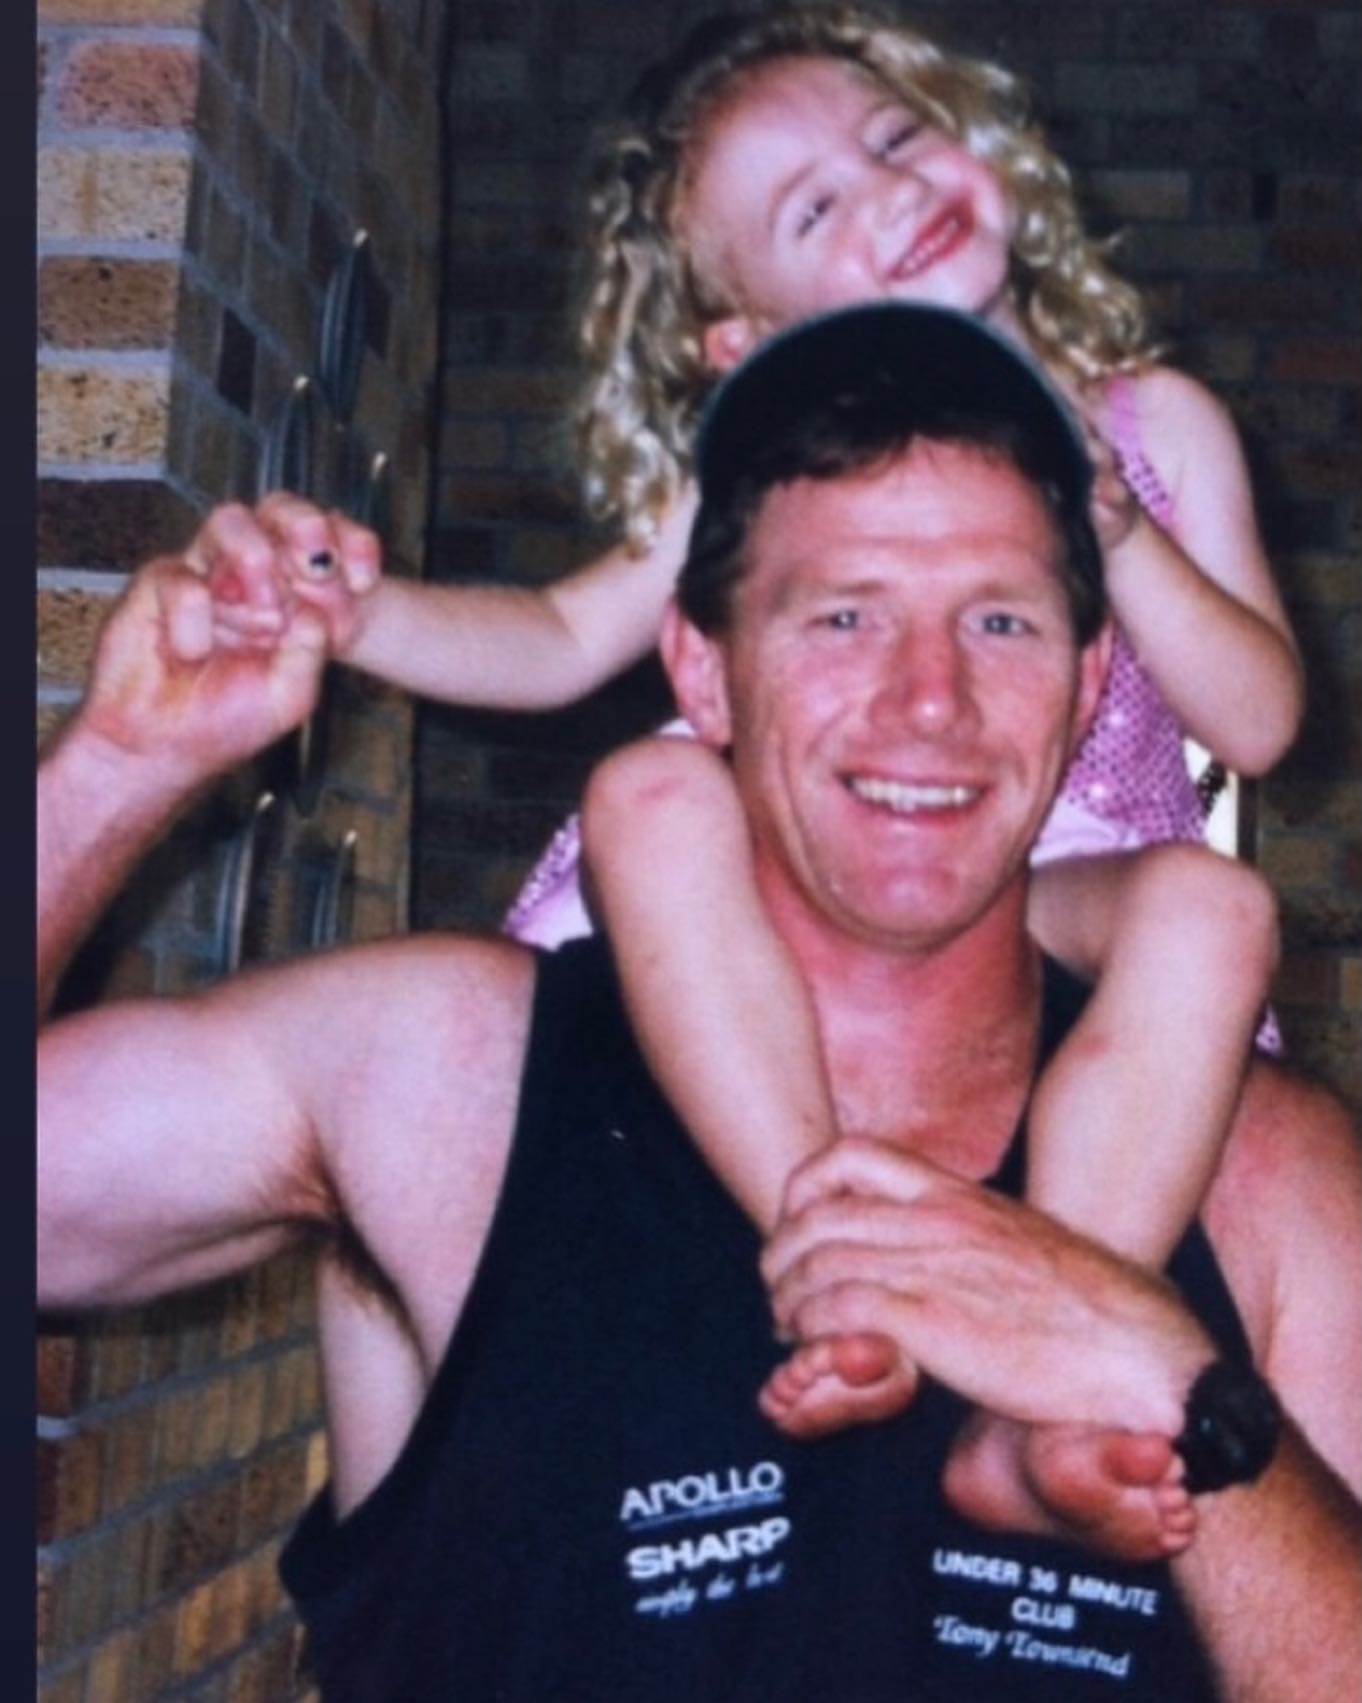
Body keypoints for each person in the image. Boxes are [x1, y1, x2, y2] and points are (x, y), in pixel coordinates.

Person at [37, 303, 1360, 1702]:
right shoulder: (447, 1077)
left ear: (1088, 687)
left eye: (1000, 621)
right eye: (844, 616)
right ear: (701, 671)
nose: (931, 699)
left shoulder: (1261, 1176)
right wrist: (121, 765)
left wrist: (1161, 1374)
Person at [210, 5, 1301, 1551]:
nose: (886, 190)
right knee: (646, 797)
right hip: (810, 864)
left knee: (1210, 905)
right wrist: (357, 618)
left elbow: (1258, 722)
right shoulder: (759, 460)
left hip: (1059, 861)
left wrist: (1120, 530)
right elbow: (554, 639)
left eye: (897, 137)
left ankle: (1031, 1362)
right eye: (813, 208)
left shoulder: (1153, 420)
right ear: (741, 336)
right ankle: (832, 1244)